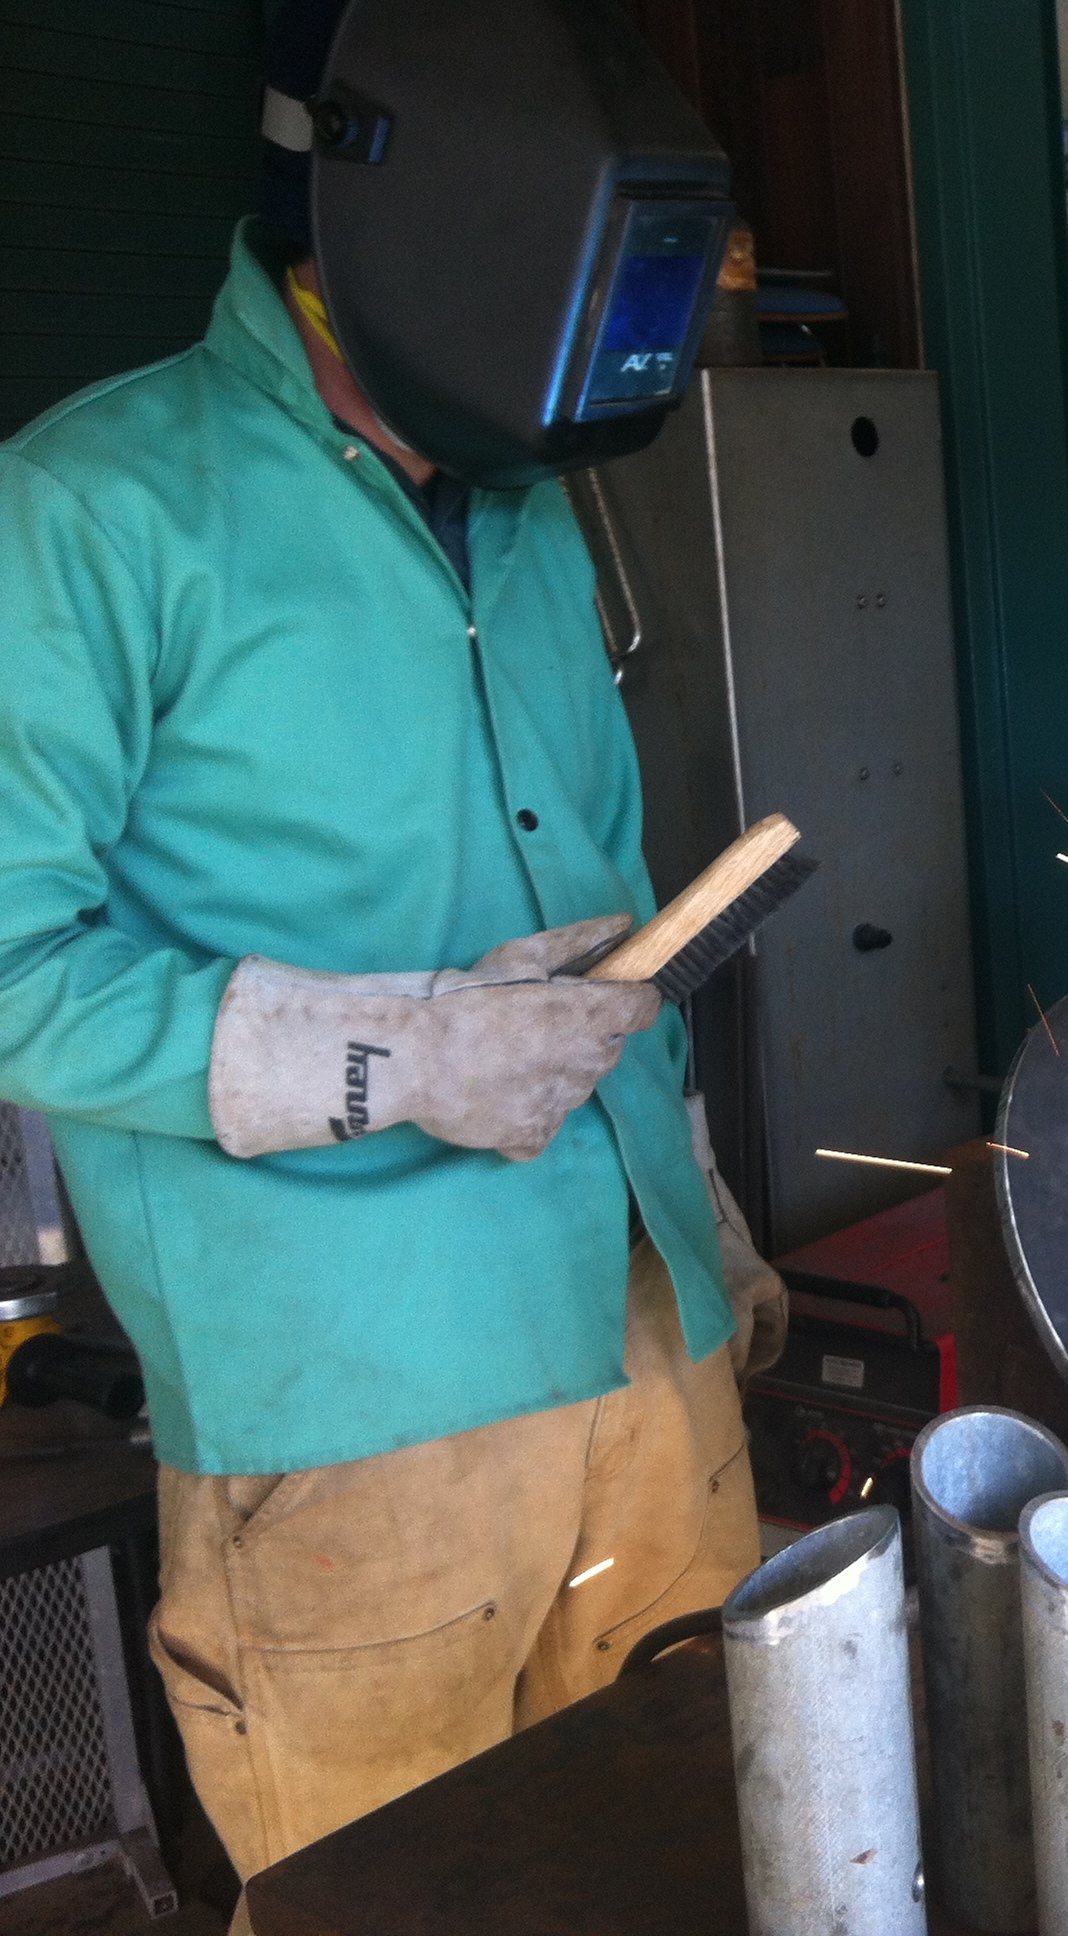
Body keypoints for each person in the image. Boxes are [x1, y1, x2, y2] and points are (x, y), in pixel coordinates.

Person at [0, 3, 780, 1922]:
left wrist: (708, 1222)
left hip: (645, 1359)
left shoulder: (524, 505)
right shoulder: (93, 513)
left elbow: (609, 926)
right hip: (355, 1428)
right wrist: (403, 1056)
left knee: (724, 1860)